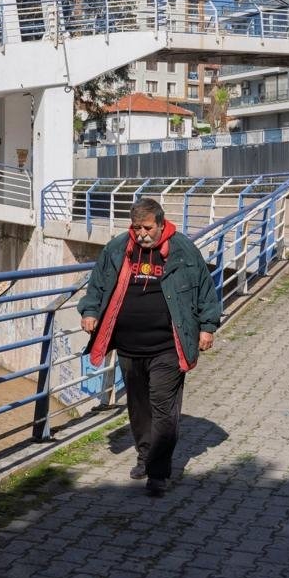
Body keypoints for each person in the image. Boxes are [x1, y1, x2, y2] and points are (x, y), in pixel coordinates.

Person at [78, 197, 221, 497]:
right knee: (139, 407)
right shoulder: (119, 248)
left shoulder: (183, 251)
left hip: (168, 345)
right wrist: (90, 311)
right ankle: (144, 456)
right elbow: (98, 284)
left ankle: (158, 471)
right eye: (136, 227)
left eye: (147, 228)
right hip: (129, 347)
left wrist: (207, 327)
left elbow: (205, 290)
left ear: (161, 223)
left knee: (164, 409)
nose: (141, 233)